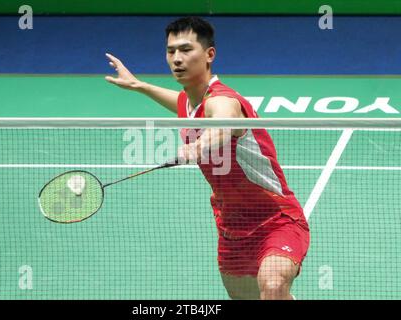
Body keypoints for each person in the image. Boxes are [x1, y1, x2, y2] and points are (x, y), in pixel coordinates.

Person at [105, 16, 310, 300]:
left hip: (277, 218)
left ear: (209, 54)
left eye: (186, 49)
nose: (177, 58)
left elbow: (223, 124)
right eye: (171, 51)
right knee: (248, 296)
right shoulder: (190, 103)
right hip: (231, 226)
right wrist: (140, 86)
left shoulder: (223, 100)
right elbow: (180, 102)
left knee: (273, 285)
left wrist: (199, 145)